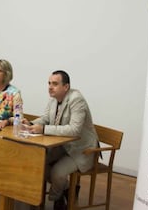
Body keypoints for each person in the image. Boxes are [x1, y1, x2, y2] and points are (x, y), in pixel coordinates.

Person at [22, 70, 98, 210]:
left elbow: (74, 130)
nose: (50, 87)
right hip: (62, 145)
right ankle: (68, 188)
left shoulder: (76, 99)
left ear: (66, 87)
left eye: (55, 84)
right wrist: (31, 124)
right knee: (35, 163)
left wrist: (44, 129)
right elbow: (45, 118)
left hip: (81, 149)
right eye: (49, 83)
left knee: (57, 172)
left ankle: (58, 200)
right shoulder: (54, 99)